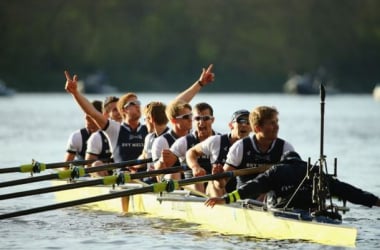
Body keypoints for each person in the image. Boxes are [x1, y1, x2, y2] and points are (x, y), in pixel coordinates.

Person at [205, 151, 380, 211]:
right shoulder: (315, 170)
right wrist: (375, 200)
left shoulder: (276, 171)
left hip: (284, 212)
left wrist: (225, 199)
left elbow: (250, 188)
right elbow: (348, 191)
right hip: (309, 211)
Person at [217, 106, 295, 193]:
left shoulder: (285, 148)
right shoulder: (240, 147)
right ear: (258, 128)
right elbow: (222, 184)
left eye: (276, 122)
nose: (277, 127)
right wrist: (219, 178)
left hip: (273, 202)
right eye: (272, 123)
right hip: (245, 200)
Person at [186, 109, 252, 196]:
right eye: (241, 121)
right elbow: (191, 152)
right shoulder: (216, 141)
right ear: (231, 125)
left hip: (240, 192)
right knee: (215, 181)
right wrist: (195, 167)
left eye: (248, 122)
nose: (244, 125)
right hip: (216, 189)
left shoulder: (257, 145)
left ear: (252, 127)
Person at [159, 102, 218, 193]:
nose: (201, 123)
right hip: (191, 188)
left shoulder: (220, 140)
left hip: (216, 186)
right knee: (197, 181)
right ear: (192, 120)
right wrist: (162, 161)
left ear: (212, 120)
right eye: (197, 119)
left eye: (206, 118)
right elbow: (163, 168)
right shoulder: (183, 142)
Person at [85, 96, 121, 176]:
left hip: (127, 173)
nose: (119, 113)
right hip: (107, 177)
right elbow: (88, 166)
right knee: (96, 165)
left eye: (121, 109)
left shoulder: (132, 131)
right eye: (115, 110)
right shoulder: (96, 138)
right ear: (106, 115)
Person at [64, 100, 103, 165]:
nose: (87, 123)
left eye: (91, 118)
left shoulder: (112, 133)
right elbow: (66, 165)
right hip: (84, 173)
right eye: (86, 118)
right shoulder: (77, 137)